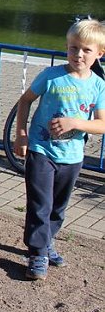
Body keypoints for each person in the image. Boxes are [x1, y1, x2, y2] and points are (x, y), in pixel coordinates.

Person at [13, 18, 105, 280]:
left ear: (99, 54)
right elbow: (25, 101)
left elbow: (102, 124)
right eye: (73, 48)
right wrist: (21, 135)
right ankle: (37, 253)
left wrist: (75, 123)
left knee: (58, 207)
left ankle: (47, 241)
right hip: (41, 150)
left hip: (72, 156)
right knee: (40, 204)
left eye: (86, 50)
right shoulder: (51, 76)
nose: (78, 54)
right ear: (67, 47)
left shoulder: (99, 86)